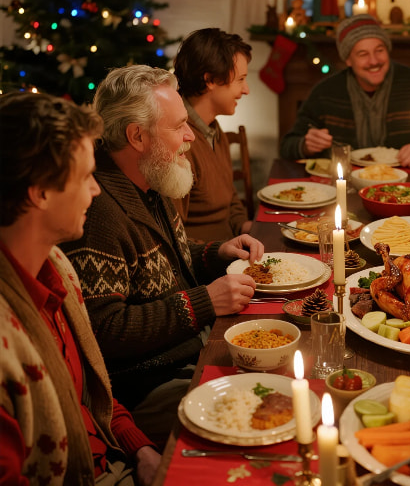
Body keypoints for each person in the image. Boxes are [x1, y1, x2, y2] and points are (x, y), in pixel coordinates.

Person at [61, 65, 264, 445]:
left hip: (190, 350)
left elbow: (158, 261)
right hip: (147, 386)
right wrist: (205, 301)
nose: (189, 137)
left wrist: (215, 254)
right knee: (263, 407)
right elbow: (103, 331)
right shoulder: (99, 213)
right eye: (178, 127)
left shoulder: (151, 179)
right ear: (137, 135)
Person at [0, 93, 161, 485]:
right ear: (39, 192)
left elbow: (92, 396)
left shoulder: (58, 269)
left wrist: (140, 448)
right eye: (85, 176)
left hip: (117, 460)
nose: (97, 190)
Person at [279, 14, 410, 168]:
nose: (374, 61)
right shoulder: (325, 92)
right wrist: (306, 145)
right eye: (363, 54)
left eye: (380, 50)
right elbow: (287, 146)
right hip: (346, 185)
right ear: (348, 59)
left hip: (406, 184)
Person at [172, 28, 253, 242]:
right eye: (240, 79)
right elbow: (173, 241)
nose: (246, 90)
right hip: (206, 267)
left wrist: (247, 226)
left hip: (230, 248)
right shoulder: (178, 143)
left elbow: (230, 198)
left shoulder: (213, 129)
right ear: (210, 80)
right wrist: (221, 252)